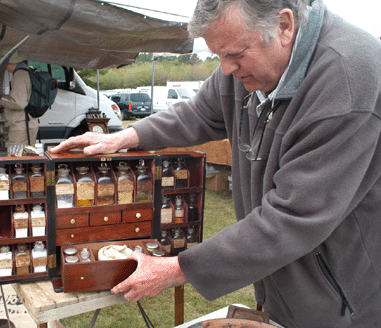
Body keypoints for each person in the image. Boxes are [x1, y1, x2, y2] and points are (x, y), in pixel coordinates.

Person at [50, 0, 381, 326]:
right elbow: (198, 112)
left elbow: (294, 216)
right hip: (281, 283)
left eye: (235, 55)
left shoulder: (348, 75)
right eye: (218, 55)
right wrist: (125, 137)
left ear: (284, 26)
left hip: (343, 302)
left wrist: (178, 269)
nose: (225, 69)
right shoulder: (252, 62)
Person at [0, 45, 38, 147]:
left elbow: (19, 103)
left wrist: (1, 102)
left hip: (21, 126)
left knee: (15, 158)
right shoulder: (27, 71)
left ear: (7, 63)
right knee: (29, 158)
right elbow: (24, 97)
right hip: (30, 122)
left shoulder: (19, 75)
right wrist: (5, 96)